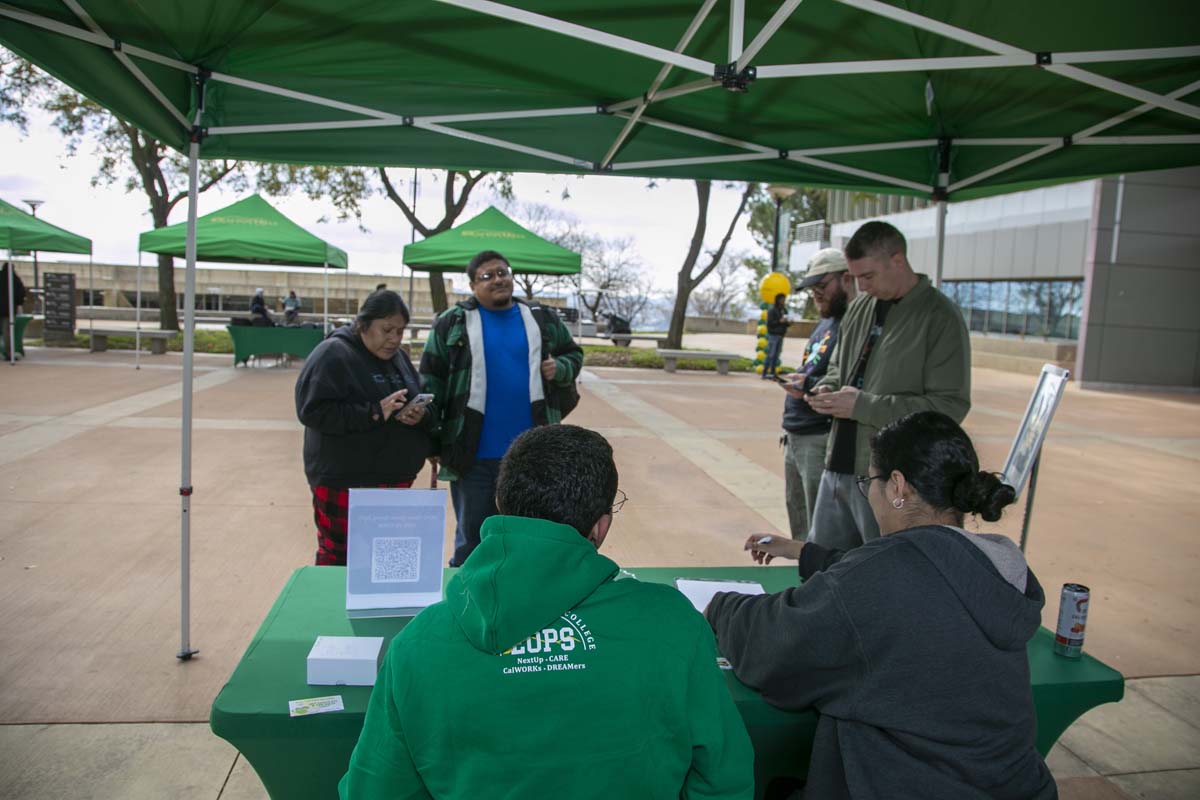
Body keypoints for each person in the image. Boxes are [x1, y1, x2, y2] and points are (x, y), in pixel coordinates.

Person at [339, 424, 754, 800]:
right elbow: (725, 778)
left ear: (500, 503)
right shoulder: (674, 622)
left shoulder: (418, 644)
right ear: (600, 526)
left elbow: (371, 789)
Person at [706, 411, 1056, 800]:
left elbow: (771, 644)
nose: (868, 493)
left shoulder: (883, 576)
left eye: (869, 481)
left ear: (897, 486)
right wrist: (808, 553)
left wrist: (720, 607)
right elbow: (914, 575)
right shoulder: (994, 566)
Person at [804, 221, 970, 550]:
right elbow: (840, 366)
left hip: (892, 481)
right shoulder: (861, 307)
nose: (862, 288)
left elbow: (949, 408)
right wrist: (827, 388)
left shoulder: (939, 317)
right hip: (836, 466)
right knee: (822, 571)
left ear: (898, 260)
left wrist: (864, 406)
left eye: (868, 276)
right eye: (856, 278)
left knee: (883, 576)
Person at [420, 250, 582, 566]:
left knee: (531, 538)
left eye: (503, 272)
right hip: (474, 456)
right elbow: (430, 382)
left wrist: (559, 368)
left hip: (535, 455)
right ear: (472, 285)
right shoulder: (452, 322)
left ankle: (524, 604)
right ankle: (465, 605)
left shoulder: (541, 317)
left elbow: (573, 355)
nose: (498, 279)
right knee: (473, 541)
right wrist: (432, 439)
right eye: (487, 276)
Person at [294, 290, 435, 566]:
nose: (394, 339)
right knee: (341, 558)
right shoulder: (333, 354)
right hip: (346, 481)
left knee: (383, 561)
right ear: (363, 325)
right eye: (387, 330)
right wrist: (373, 412)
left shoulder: (399, 358)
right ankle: (331, 609)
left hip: (392, 478)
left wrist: (419, 415)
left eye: (400, 331)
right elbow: (312, 410)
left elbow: (417, 394)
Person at [777, 248, 855, 539]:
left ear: (846, 279)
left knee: (820, 532)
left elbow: (847, 381)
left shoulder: (853, 324)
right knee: (800, 525)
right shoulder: (825, 323)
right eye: (812, 290)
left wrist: (811, 388)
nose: (816, 295)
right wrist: (802, 381)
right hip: (795, 435)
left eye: (822, 287)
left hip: (818, 438)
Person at [1, 262, 26, 361]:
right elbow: (21, 293)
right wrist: (18, 303)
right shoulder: (15, 279)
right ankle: (8, 353)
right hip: (9, 310)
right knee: (7, 332)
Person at [763, 292, 791, 378]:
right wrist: (779, 321)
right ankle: (764, 373)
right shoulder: (772, 310)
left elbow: (785, 323)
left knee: (776, 355)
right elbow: (770, 323)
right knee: (771, 354)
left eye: (784, 299)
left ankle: (772, 373)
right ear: (778, 300)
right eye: (782, 299)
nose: (783, 301)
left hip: (781, 335)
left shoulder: (784, 310)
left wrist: (788, 323)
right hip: (773, 335)